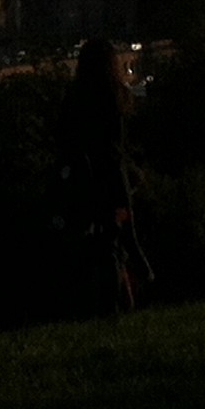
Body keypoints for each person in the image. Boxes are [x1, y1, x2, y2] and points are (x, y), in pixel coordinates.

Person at [56, 37, 150, 313]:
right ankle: (122, 296)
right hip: (110, 180)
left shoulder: (74, 96)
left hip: (81, 180)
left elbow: (65, 139)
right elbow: (115, 148)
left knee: (88, 243)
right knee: (115, 236)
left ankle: (93, 304)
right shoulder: (115, 96)